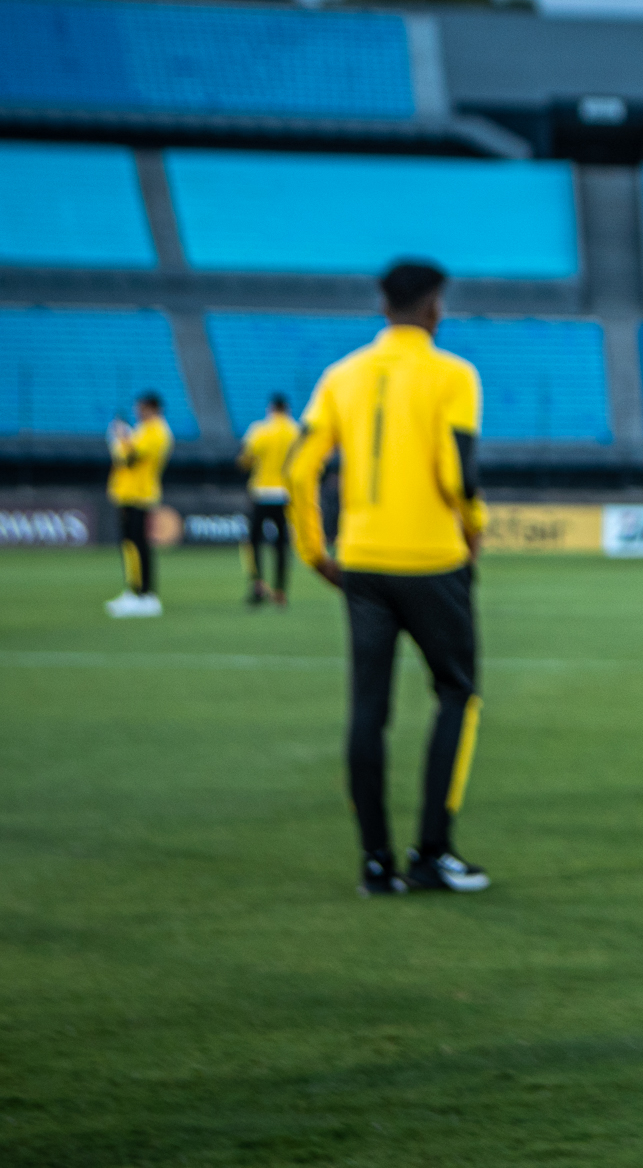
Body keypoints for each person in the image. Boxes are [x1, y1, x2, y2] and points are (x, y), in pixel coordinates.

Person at [287, 259, 494, 899]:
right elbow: (454, 471)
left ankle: (375, 864)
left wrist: (315, 553)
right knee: (458, 693)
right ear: (434, 307)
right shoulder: (454, 374)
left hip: (364, 564)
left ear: (383, 304)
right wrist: (474, 524)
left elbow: (299, 471)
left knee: (368, 712)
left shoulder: (339, 376)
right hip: (433, 560)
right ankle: (432, 852)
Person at [105, 390, 172, 617]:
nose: (137, 411)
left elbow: (130, 459)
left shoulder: (157, 432)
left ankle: (145, 595)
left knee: (139, 545)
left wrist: (120, 439)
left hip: (140, 495)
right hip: (129, 494)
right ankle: (135, 591)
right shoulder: (145, 430)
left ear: (152, 408)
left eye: (141, 408)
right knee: (131, 544)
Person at [237, 392, 298, 608]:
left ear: (271, 408)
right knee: (282, 544)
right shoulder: (296, 431)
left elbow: (245, 459)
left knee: (253, 542)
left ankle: (258, 586)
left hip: (262, 494)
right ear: (287, 409)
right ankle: (281, 591)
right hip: (286, 495)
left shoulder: (260, 430)